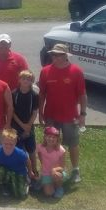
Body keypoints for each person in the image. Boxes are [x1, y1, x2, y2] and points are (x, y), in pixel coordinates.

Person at [38, 43, 87, 183]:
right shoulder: (45, 71)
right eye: (53, 54)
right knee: (49, 144)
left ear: (66, 56)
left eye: (59, 55)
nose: (56, 57)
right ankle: (48, 169)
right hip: (51, 115)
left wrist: (82, 114)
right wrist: (41, 112)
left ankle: (75, 170)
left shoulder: (76, 71)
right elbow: (42, 94)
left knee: (73, 143)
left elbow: (83, 95)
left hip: (70, 116)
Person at [0, 128, 34, 200]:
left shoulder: (20, 153)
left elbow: (27, 160)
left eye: (11, 144)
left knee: (21, 196)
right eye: (6, 143)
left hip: (19, 173)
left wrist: (30, 171)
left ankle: (25, 183)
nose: (8, 146)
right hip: (6, 171)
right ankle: (5, 185)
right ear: (1, 141)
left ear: (15, 143)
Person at [11, 70, 39, 177]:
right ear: (19, 80)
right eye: (23, 79)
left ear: (32, 81)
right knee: (19, 151)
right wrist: (22, 125)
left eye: (28, 79)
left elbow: (35, 112)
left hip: (29, 127)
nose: (26, 81)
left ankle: (34, 171)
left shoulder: (34, 95)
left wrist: (28, 126)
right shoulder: (14, 94)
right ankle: (22, 172)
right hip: (16, 127)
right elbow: (12, 112)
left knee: (31, 150)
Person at [37, 126, 67, 198]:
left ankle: (59, 188)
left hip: (58, 172)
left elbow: (62, 167)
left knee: (56, 175)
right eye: (49, 136)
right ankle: (46, 183)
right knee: (49, 193)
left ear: (57, 139)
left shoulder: (61, 150)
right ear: (45, 137)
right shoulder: (40, 147)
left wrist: (54, 169)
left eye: (54, 137)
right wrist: (43, 168)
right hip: (46, 173)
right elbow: (40, 158)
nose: (51, 139)